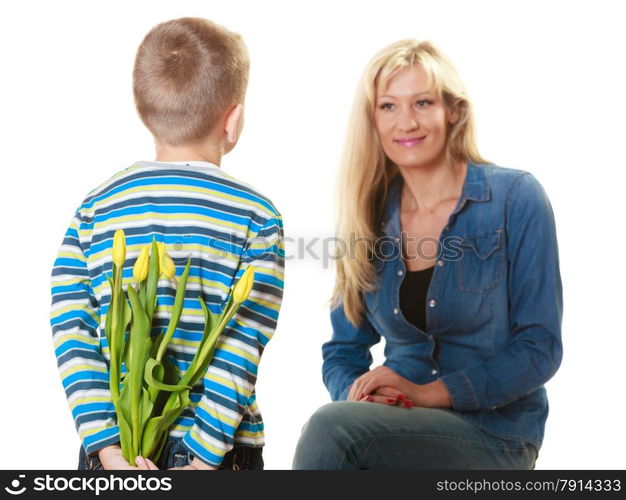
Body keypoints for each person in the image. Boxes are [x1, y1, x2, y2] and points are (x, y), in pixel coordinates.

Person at [292, 39, 562, 470]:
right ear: (372, 120)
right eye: (388, 106)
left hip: (495, 433)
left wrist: (426, 395)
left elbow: (539, 347)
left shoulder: (515, 198)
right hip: (393, 424)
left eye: (422, 102)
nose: (406, 122)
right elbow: (343, 351)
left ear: (452, 111)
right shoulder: (367, 219)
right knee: (339, 424)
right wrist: (362, 395)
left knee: (333, 430)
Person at [49, 17, 284, 471]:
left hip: (115, 447)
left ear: (142, 109)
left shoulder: (96, 208)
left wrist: (107, 447)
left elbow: (70, 327)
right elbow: (242, 343)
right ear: (233, 119)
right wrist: (201, 458)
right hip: (220, 450)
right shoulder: (257, 216)